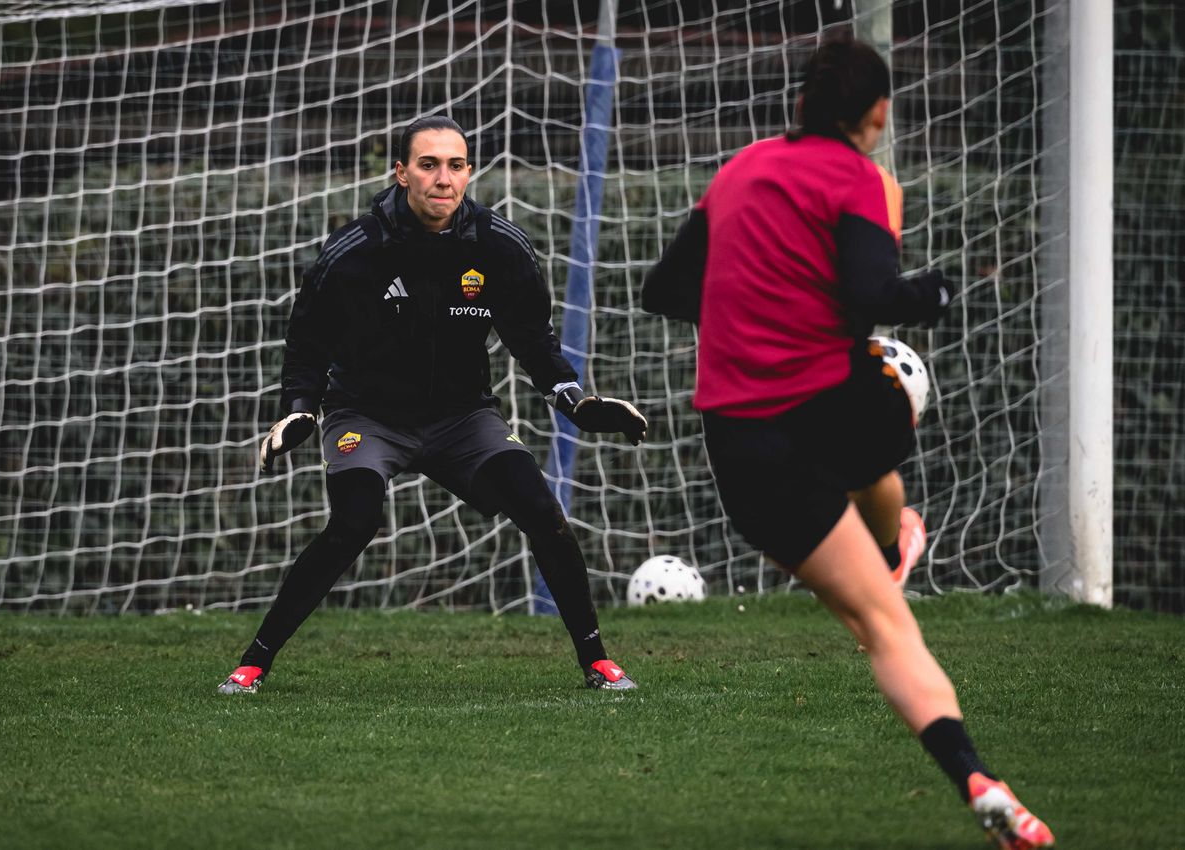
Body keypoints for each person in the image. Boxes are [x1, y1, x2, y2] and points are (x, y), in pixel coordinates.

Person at [642, 39, 1054, 850]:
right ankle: (894, 549)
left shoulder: (741, 170)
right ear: (877, 114)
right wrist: (934, 290)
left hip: (738, 442)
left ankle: (979, 778)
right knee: (893, 387)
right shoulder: (859, 178)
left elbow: (663, 288)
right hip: (827, 411)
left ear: (800, 103)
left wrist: (747, 314)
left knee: (873, 619)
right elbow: (875, 298)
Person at [220, 116, 647, 695]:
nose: (443, 179)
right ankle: (254, 662)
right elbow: (307, 342)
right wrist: (300, 406)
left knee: (541, 510)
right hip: (366, 415)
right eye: (428, 165)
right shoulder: (353, 252)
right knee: (356, 520)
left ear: (469, 173)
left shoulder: (499, 247)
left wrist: (576, 401)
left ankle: (597, 660)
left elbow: (535, 344)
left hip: (463, 418)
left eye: (455, 165)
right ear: (401, 173)